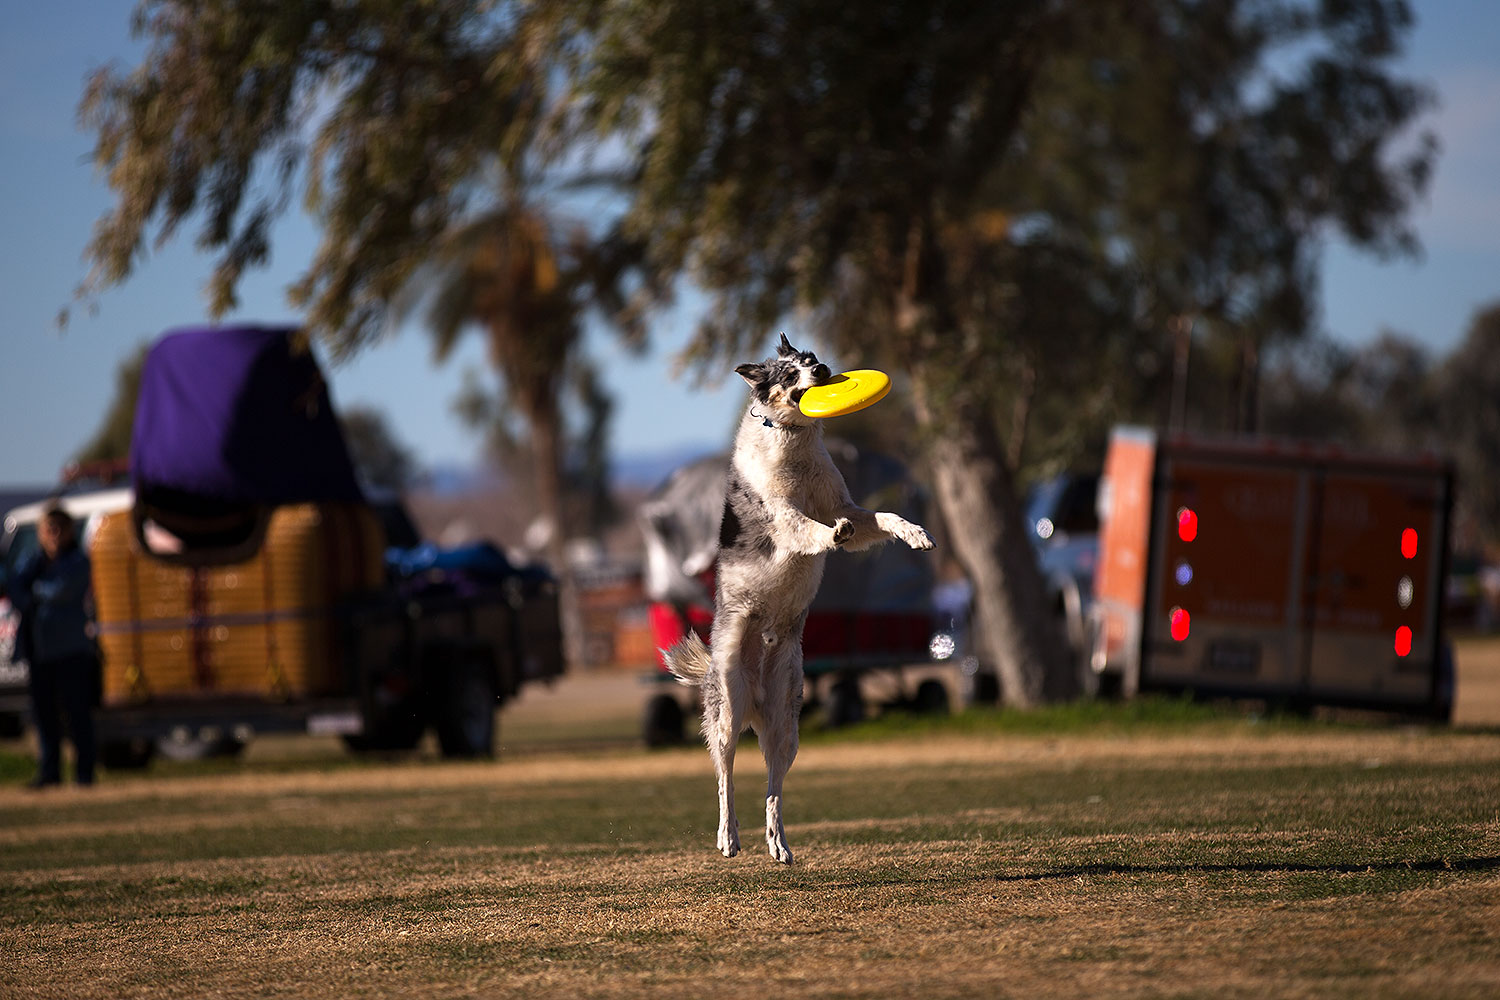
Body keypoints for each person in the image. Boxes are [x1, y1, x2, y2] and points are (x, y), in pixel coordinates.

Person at [11, 505, 98, 788]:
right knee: (44, 714)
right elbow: (14, 588)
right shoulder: (32, 562)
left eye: (60, 528)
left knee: (76, 713)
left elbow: (58, 591)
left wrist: (32, 592)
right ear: (40, 533)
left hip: (71, 649)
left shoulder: (77, 561)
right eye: (49, 529)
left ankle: (84, 773)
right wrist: (30, 590)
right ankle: (50, 771)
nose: (54, 534)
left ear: (70, 531)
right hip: (40, 649)